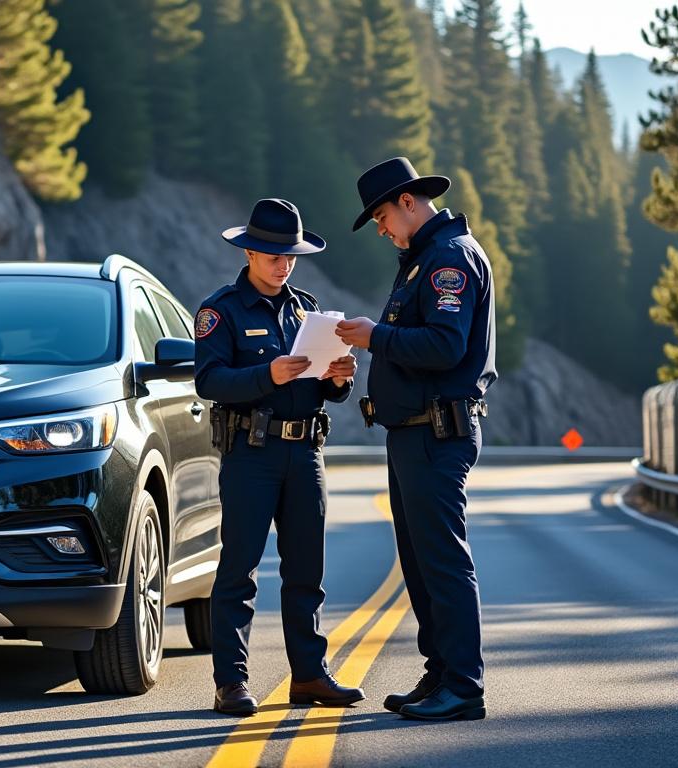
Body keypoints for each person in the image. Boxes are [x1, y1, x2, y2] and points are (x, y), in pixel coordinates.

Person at [335, 157, 496, 722]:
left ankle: (464, 686)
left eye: (381, 217)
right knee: (421, 562)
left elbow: (444, 347)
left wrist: (375, 337)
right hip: (413, 432)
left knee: (443, 562)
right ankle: (440, 672)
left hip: (436, 431)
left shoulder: (448, 260)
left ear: (408, 203)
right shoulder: (422, 261)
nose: (381, 230)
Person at [194, 198, 363, 717]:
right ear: (248, 251)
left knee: (307, 571)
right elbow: (209, 380)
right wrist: (266, 376)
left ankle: (309, 675)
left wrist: (338, 379)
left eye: (289, 254)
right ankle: (231, 682)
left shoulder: (306, 309)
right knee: (239, 570)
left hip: (306, 452)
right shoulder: (219, 310)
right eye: (271, 253)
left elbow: (323, 389)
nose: (282, 263)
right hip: (252, 452)